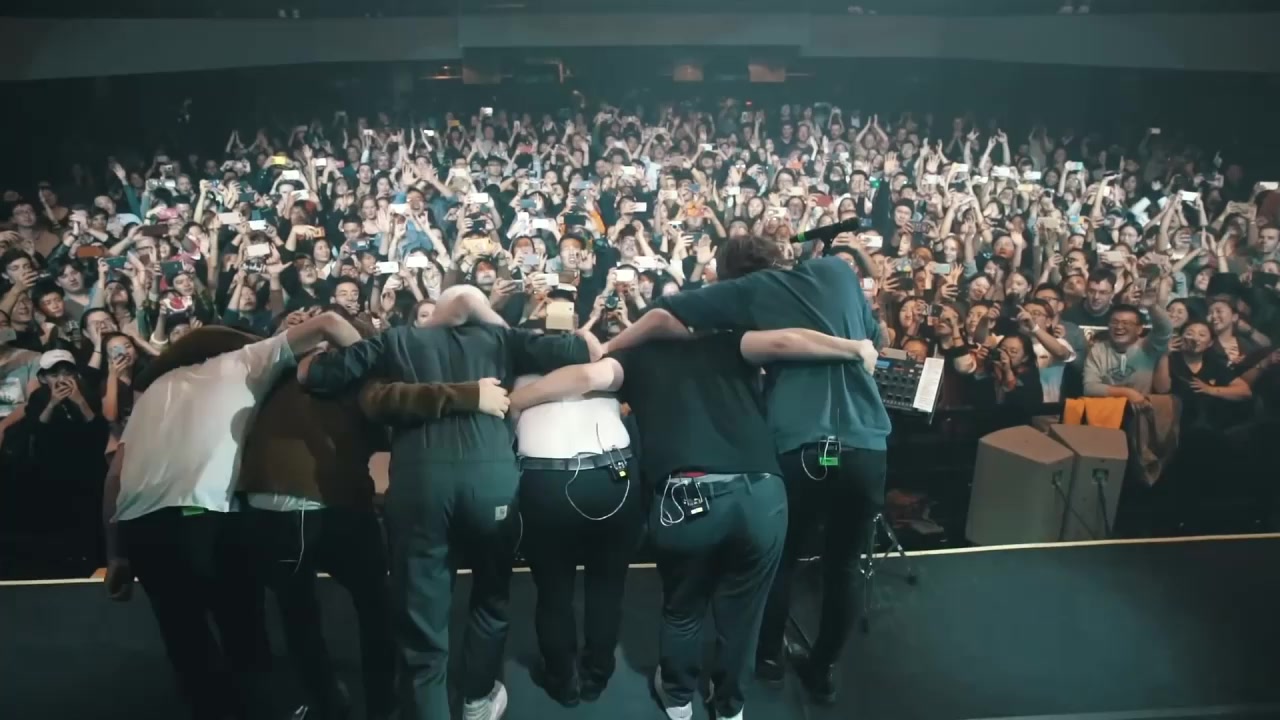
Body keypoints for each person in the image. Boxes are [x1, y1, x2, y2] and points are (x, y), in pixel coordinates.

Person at [128, 301, 513, 720]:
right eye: (295, 318)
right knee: (366, 610)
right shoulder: (274, 370)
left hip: (283, 511)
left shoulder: (294, 376)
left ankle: (333, 703)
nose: (302, 320)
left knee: (304, 615)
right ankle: (374, 705)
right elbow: (388, 405)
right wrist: (465, 394)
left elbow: (384, 404)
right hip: (323, 509)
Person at [509, 323, 877, 720]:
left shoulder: (635, 356)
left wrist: (514, 400)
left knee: (680, 609)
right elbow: (786, 340)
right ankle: (729, 706)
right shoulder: (732, 342)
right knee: (741, 615)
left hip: (685, 494)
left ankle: (674, 697)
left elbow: (585, 376)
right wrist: (855, 347)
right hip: (760, 494)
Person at [600, 235, 889, 705]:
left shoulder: (748, 290)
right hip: (864, 445)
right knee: (845, 564)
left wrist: (607, 347)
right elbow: (877, 340)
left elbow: (662, 316)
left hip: (801, 445)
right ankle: (822, 670)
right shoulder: (839, 272)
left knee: (782, 561)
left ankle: (767, 660)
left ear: (729, 273)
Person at [299, 285, 599, 720]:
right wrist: (495, 320)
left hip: (420, 486)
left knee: (422, 622)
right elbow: (580, 348)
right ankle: (476, 700)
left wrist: (308, 359)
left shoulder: (396, 340)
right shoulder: (500, 338)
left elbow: (317, 376)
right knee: (491, 598)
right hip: (491, 484)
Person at [101, 310, 364, 720]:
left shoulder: (154, 392)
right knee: (245, 641)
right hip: (205, 515)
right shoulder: (245, 359)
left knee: (188, 647)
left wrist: (116, 554)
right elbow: (330, 321)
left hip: (141, 526)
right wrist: (378, 370)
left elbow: (114, 477)